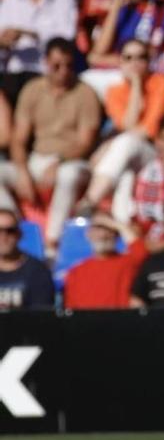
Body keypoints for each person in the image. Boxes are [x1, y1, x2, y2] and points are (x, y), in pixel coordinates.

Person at [0, 35, 99, 241]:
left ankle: (53, 240)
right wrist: (22, 170)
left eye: (68, 65)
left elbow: (85, 143)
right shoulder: (32, 89)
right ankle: (15, 229)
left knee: (67, 175)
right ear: (45, 62)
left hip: (73, 162)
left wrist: (59, 162)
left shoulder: (85, 93)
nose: (63, 71)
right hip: (37, 159)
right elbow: (18, 138)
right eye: (56, 66)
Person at [0, 206, 56, 310]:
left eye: (10, 231)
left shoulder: (38, 271)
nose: (4, 237)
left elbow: (41, 318)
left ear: (19, 234)